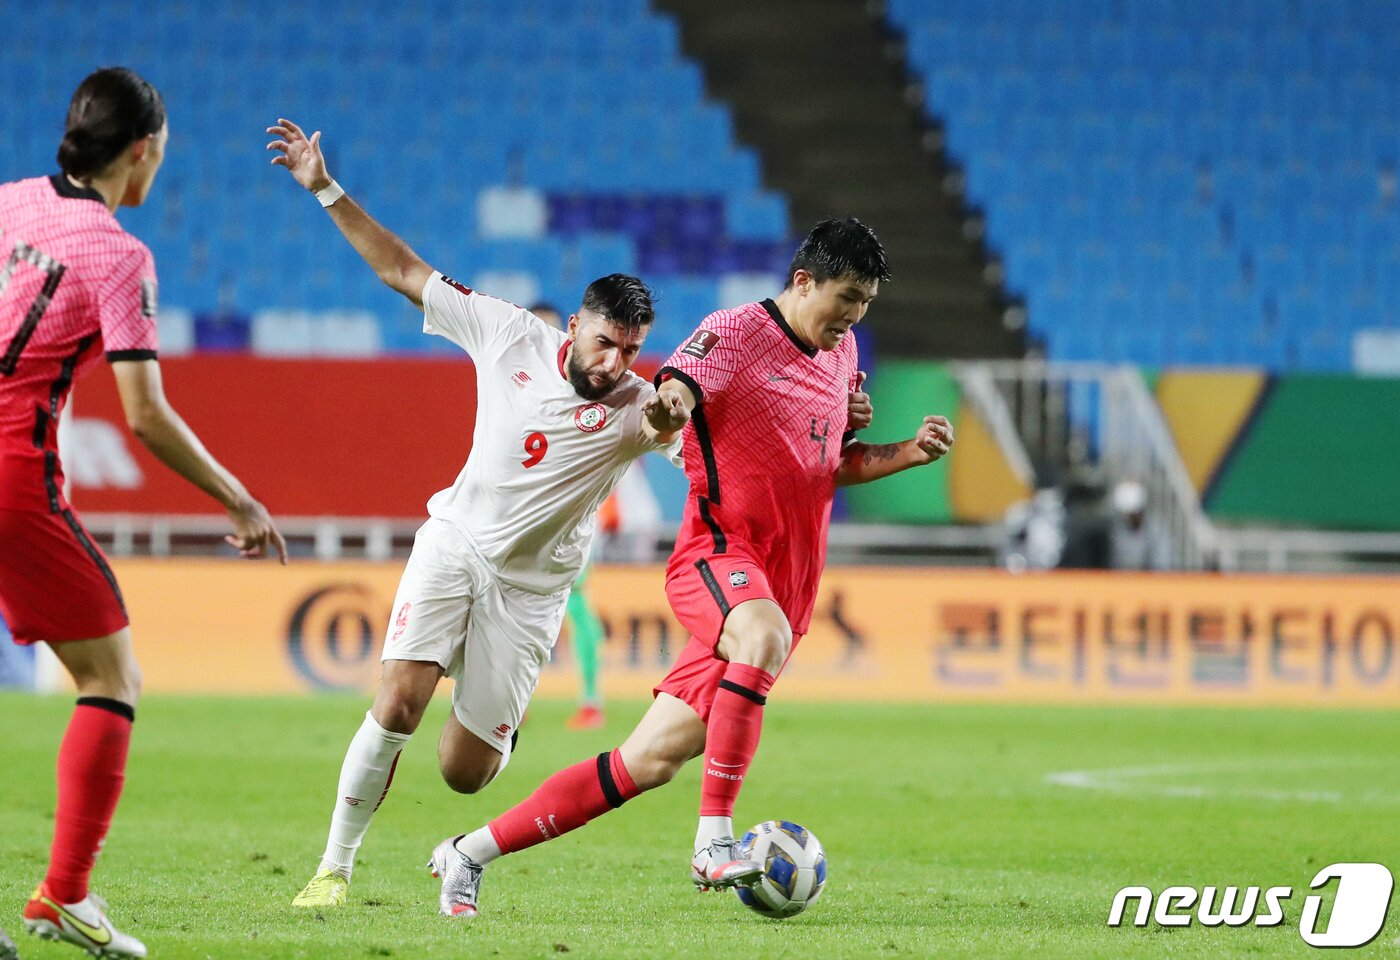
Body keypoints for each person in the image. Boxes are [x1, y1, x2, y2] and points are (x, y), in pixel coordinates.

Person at [427, 218, 952, 918]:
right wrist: (672, 405)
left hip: (787, 584)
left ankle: (466, 854)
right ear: (804, 281)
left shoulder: (841, 350)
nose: (855, 315)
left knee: (647, 761)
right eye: (848, 297)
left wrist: (908, 451)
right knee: (758, 636)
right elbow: (678, 384)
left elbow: (826, 464)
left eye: (866, 302)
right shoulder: (735, 332)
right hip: (718, 553)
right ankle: (713, 841)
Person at [264, 119, 691, 909]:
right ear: (574, 324)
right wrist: (323, 186)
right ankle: (333, 869)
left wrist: (669, 411)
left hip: (530, 596)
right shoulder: (503, 331)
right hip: (455, 542)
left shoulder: (638, 405)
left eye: (631, 351)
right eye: (606, 344)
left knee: (466, 776)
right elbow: (400, 268)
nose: (616, 363)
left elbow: (673, 431)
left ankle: (494, 722)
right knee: (396, 703)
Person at [0, 68, 285, 959]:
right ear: (143, 150)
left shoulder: (7, 202)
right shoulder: (118, 255)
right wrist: (238, 499)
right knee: (112, 678)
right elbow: (147, 414)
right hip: (12, 473)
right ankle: (64, 894)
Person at [531, 301, 612, 730]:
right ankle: (505, 695)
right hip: (524, 517)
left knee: (574, 604)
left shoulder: (586, 386)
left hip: (573, 519)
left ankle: (591, 701)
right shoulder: (519, 384)